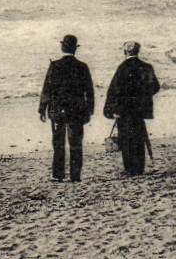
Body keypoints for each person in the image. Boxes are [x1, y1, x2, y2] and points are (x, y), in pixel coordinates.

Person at [39, 34, 94, 182]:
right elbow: (89, 90)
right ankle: (75, 175)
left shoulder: (55, 65)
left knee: (58, 143)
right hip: (77, 110)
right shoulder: (82, 66)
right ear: (75, 49)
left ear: (62, 47)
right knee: (76, 143)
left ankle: (58, 175)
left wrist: (42, 108)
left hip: (57, 110)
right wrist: (90, 109)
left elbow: (47, 89)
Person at [102, 41, 161, 176]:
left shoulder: (122, 68)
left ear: (125, 52)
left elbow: (113, 91)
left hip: (124, 110)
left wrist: (111, 110)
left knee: (126, 138)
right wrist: (143, 96)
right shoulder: (146, 67)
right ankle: (139, 168)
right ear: (137, 51)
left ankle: (129, 168)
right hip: (140, 110)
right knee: (139, 137)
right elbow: (156, 86)